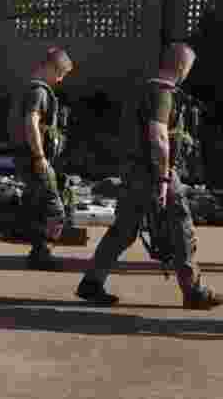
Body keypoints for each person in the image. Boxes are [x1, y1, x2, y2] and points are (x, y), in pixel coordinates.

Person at [76, 43, 220, 309]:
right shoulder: (163, 93)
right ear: (182, 67)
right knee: (182, 227)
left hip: (133, 171)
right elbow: (159, 136)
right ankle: (194, 291)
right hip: (154, 172)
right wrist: (164, 179)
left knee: (124, 230)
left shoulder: (141, 89)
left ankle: (92, 282)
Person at [9, 47, 74, 270]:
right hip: (35, 158)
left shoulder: (30, 89)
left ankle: (38, 252)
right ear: (50, 67)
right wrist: (39, 156)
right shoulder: (39, 92)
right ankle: (42, 252)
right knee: (55, 209)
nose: (60, 79)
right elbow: (31, 123)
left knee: (38, 206)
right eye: (60, 73)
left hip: (29, 158)